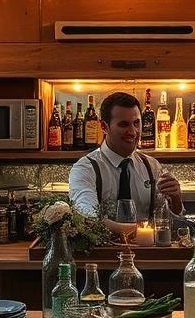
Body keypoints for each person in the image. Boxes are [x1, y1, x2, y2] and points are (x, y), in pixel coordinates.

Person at [69, 91, 183, 238]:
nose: (133, 132)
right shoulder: (85, 169)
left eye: (136, 123)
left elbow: (168, 221)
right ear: (104, 126)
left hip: (146, 255)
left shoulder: (152, 166)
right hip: (103, 256)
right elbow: (86, 218)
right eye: (124, 125)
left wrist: (176, 199)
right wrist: (139, 230)